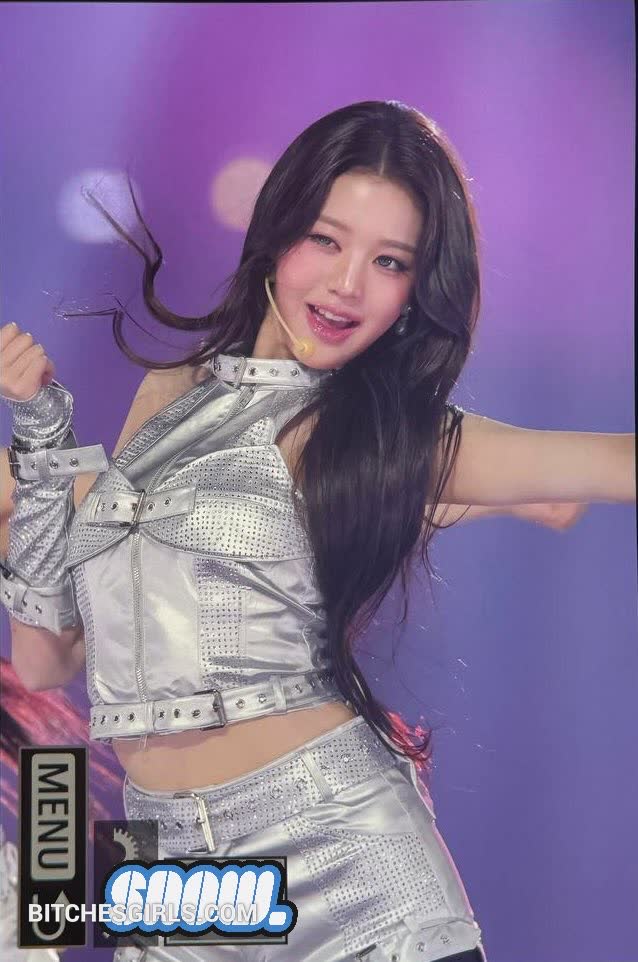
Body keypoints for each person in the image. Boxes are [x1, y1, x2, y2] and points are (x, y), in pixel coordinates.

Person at [0, 100, 633, 962]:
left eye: (390, 261)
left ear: (414, 291)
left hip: (345, 863)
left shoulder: (384, 435)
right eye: (326, 241)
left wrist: (503, 493)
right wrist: (40, 433)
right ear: (277, 231)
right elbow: (45, 661)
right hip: (183, 896)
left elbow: (610, 463)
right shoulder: (167, 396)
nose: (347, 286)